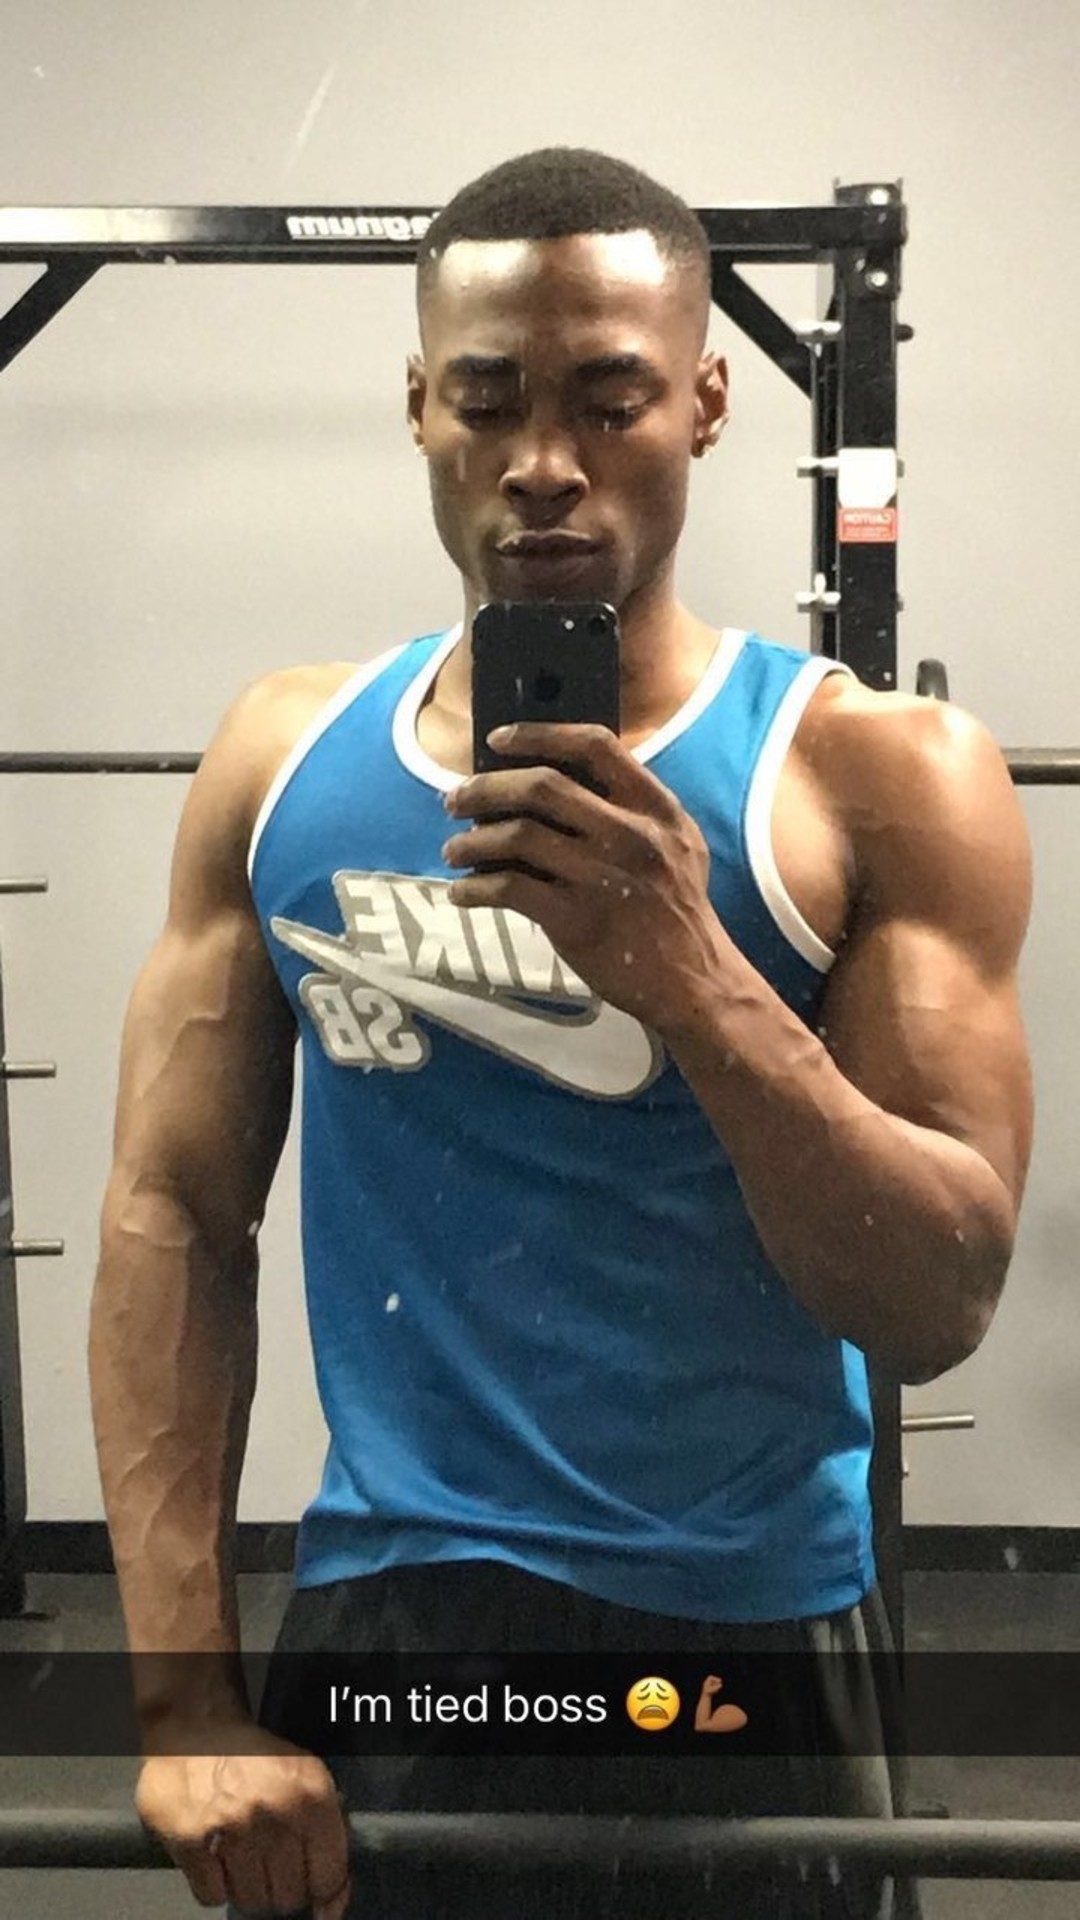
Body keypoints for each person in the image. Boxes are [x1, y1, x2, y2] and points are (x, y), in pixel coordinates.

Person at [87, 147, 1033, 1920]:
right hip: (400, 1614)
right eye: (487, 401)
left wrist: (693, 975)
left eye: (608, 401)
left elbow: (936, 1303)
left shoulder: (874, 777)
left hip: (746, 1629)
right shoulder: (285, 763)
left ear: (707, 402)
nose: (543, 462)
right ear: (418, 410)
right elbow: (173, 1218)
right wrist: (184, 1700)